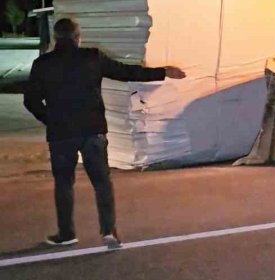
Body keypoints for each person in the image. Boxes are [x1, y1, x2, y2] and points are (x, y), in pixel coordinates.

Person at [23, 18, 186, 249]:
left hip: (61, 134)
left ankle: (67, 233)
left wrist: (50, 119)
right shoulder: (92, 57)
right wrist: (163, 72)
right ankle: (109, 232)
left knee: (64, 184)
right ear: (78, 37)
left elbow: (30, 100)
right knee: (101, 183)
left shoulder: (42, 64)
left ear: (55, 37)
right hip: (93, 130)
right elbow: (125, 72)